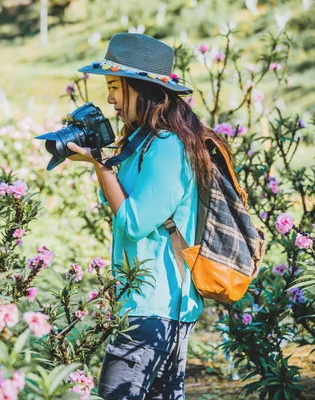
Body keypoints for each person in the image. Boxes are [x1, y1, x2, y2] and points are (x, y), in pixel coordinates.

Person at [66, 32, 233, 399]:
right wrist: (101, 159)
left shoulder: (168, 147)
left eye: (114, 86)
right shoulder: (142, 141)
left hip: (156, 306)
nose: (109, 97)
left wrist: (100, 166)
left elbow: (134, 222)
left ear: (141, 88)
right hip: (147, 304)